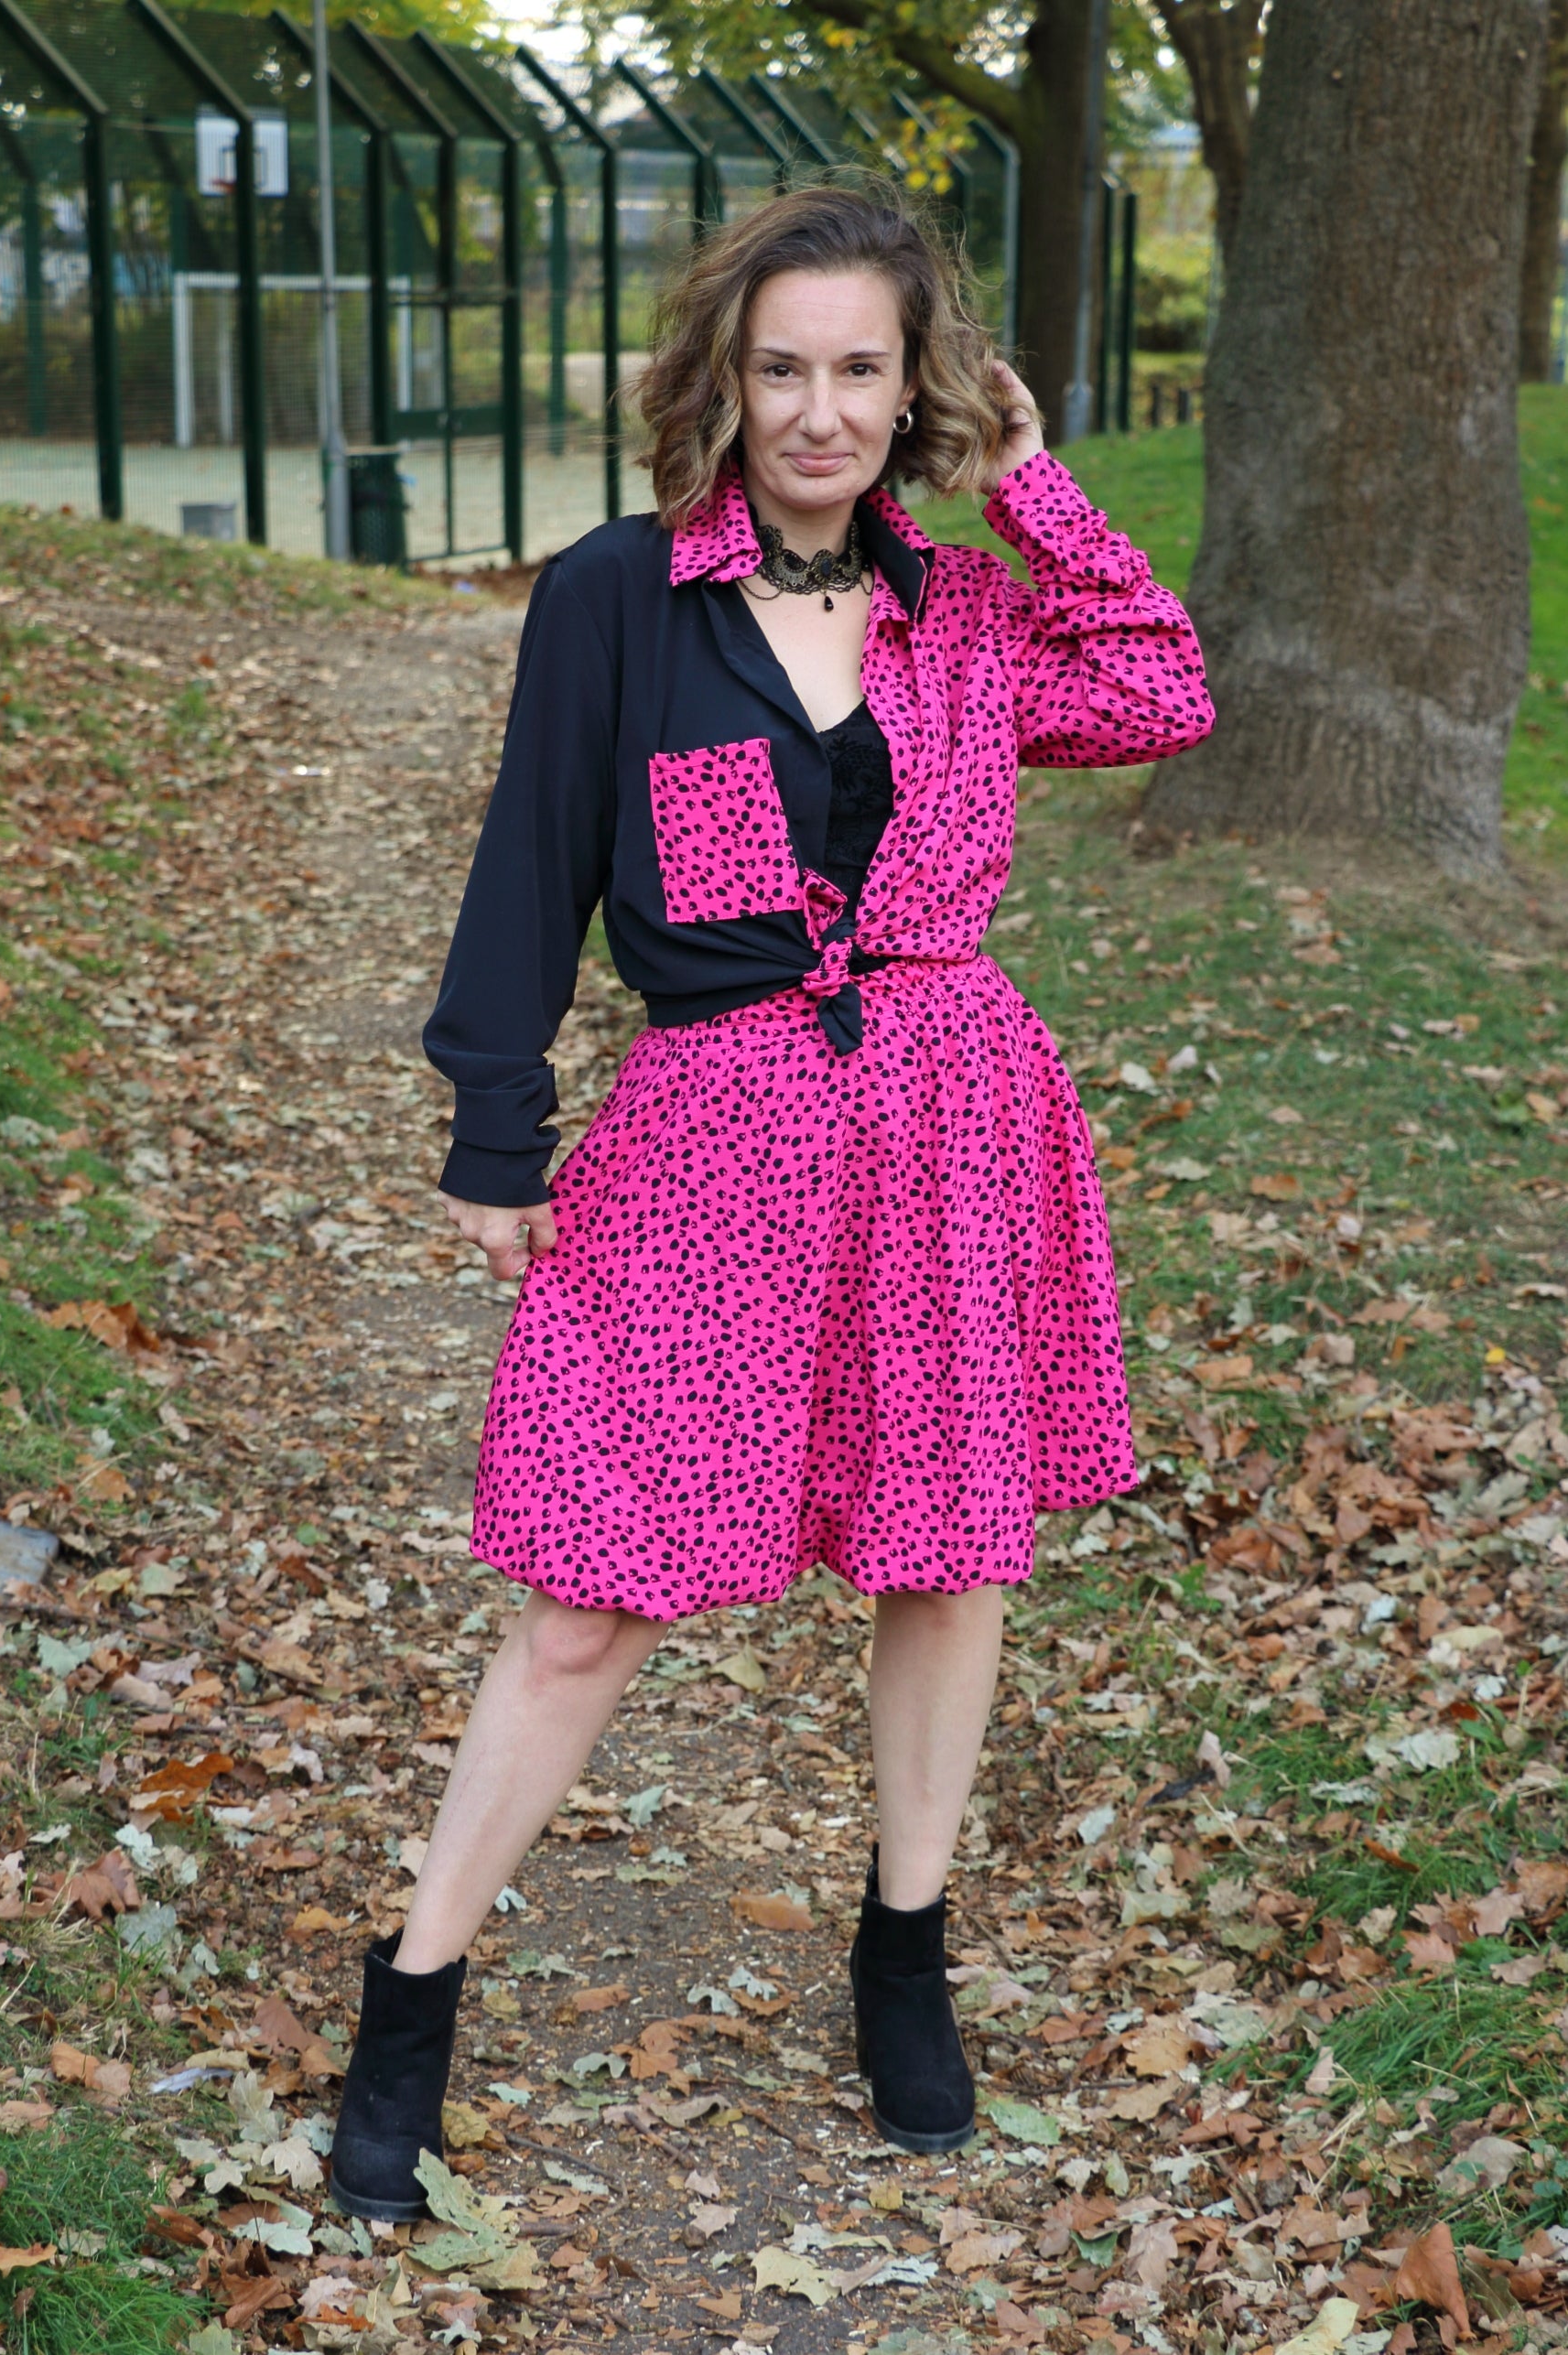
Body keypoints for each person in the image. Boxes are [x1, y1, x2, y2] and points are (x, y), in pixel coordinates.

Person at [329, 179, 1213, 2220]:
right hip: (709, 1136)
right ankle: (415, 1992)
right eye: (786, 368)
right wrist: (493, 1124)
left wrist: (1038, 485)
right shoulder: (619, 595)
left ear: (920, 391)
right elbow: (534, 859)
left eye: (863, 371)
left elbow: (1161, 687)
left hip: (950, 1116)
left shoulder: (967, 613)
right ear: (727, 378)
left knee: (946, 1553)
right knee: (587, 1590)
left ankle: (905, 1952)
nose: (821, 412)